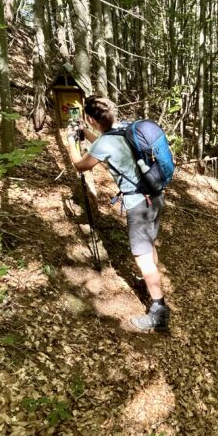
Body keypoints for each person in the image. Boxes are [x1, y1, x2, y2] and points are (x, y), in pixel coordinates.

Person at [66, 95, 170, 332]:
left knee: (142, 256)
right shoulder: (124, 129)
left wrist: (71, 142)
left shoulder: (105, 143)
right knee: (149, 244)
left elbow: (80, 165)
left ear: (91, 119)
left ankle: (159, 311)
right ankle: (148, 284)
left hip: (139, 205)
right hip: (155, 196)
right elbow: (106, 146)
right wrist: (87, 134)